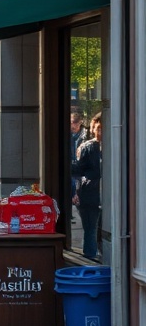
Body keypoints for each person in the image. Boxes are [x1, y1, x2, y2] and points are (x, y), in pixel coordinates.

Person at [72, 112, 103, 261]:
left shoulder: (115, 145)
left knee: (101, 229)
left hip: (104, 195)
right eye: (98, 128)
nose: (100, 132)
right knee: (90, 228)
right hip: (90, 194)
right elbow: (77, 170)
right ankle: (90, 258)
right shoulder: (88, 148)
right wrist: (76, 192)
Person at [70, 111, 87, 222]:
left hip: (81, 169)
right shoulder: (68, 135)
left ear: (80, 123)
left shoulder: (84, 136)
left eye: (76, 123)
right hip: (71, 168)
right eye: (72, 122)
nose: (73, 125)